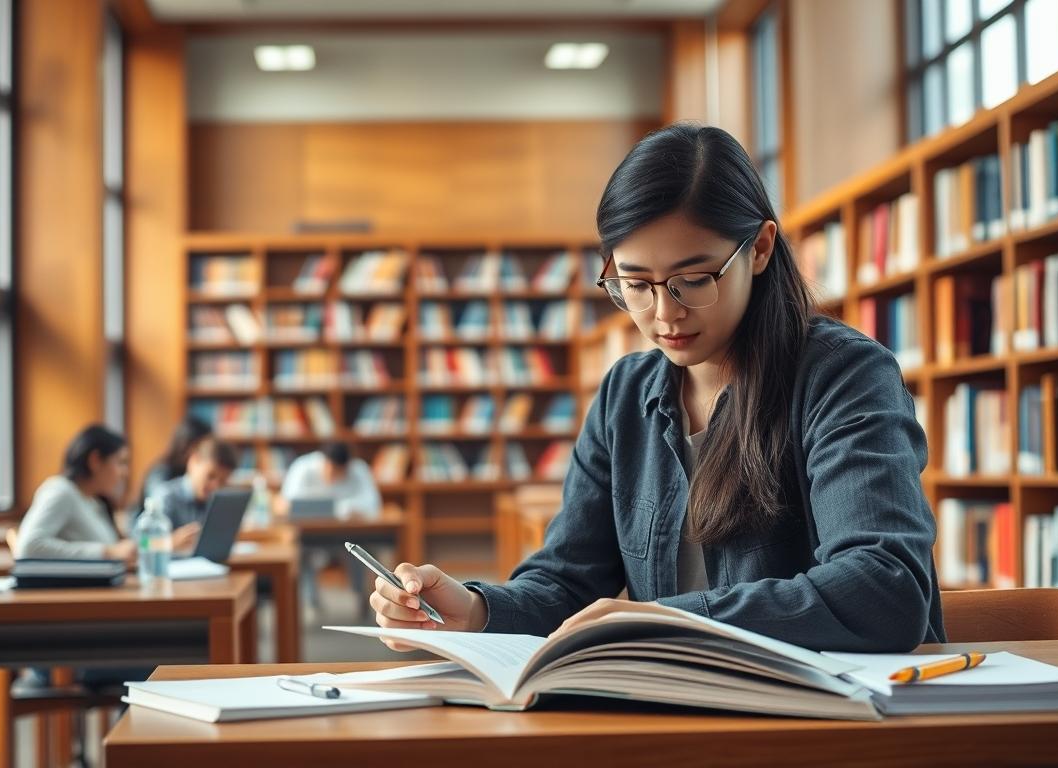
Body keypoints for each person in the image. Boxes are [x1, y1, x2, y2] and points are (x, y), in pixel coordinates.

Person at [369, 123, 945, 653]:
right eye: (636, 284)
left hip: (832, 712)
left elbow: (883, 587)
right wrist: (473, 611)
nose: (665, 314)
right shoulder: (626, 393)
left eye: (692, 279)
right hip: (677, 705)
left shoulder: (843, 376)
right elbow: (568, 583)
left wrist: (663, 620)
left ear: (761, 249)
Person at [17, 424, 201, 562]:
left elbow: (126, 548)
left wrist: (166, 543)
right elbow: (28, 547)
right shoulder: (61, 491)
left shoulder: (94, 501)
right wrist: (106, 552)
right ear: (95, 460)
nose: (125, 473)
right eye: (120, 462)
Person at [280, 442, 383, 614]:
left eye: (338, 472)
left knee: (359, 550)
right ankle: (311, 600)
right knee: (299, 552)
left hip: (349, 533)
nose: (333, 477)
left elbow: (373, 504)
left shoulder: (358, 470)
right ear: (322, 461)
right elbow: (286, 504)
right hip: (309, 534)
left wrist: (350, 509)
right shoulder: (303, 467)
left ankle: (361, 597)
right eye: (330, 470)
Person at [140, 437, 238, 531]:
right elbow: (145, 540)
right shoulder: (165, 497)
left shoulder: (215, 503)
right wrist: (172, 540)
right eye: (210, 476)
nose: (215, 486)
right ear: (194, 461)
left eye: (222, 481)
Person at [130, 415, 214, 522]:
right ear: (187, 445)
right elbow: (156, 510)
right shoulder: (161, 473)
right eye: (202, 448)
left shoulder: (189, 475)